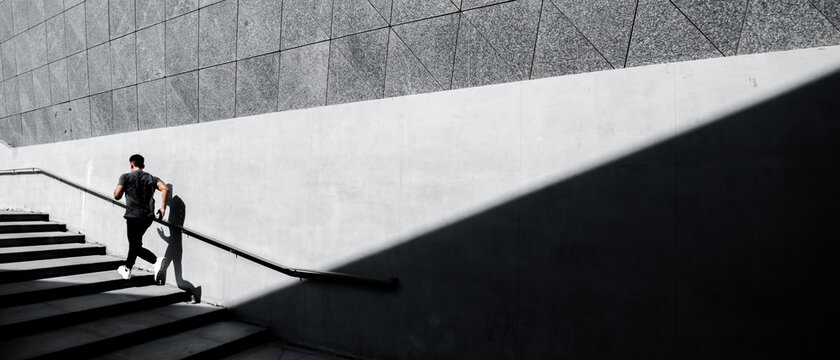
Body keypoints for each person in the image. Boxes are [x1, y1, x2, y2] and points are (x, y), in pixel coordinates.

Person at [113, 154, 168, 282]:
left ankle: (156, 261)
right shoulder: (152, 178)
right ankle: (127, 269)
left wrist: (121, 190)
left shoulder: (125, 177)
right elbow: (165, 188)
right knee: (135, 244)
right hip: (148, 217)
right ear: (143, 166)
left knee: (134, 245)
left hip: (133, 216)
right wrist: (163, 208)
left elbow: (117, 195)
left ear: (131, 165)